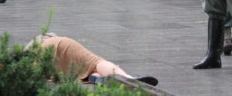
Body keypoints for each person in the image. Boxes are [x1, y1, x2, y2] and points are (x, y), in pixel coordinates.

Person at [25, 33, 158, 86]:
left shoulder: (20, 67)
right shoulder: (46, 41)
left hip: (45, 65)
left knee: (82, 74)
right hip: (57, 44)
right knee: (95, 62)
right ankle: (127, 78)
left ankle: (96, 79)